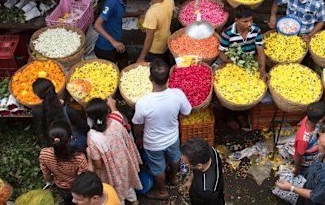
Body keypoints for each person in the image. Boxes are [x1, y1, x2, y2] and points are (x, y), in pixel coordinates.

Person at [132, 59, 192, 200]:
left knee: (157, 167)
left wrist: (139, 137)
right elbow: (187, 113)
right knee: (175, 156)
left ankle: (163, 192)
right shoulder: (177, 94)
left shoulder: (143, 102)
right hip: (172, 137)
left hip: (153, 143)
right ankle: (174, 178)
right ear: (169, 78)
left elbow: (138, 125)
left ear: (150, 79)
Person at [218, 5, 267, 130]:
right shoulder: (227, 34)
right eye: (245, 21)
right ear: (236, 20)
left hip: (249, 65)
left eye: (251, 20)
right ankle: (229, 117)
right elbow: (222, 53)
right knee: (230, 92)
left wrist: (262, 69)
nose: (249, 23)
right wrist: (234, 61)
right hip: (233, 66)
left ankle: (241, 114)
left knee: (247, 92)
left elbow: (260, 50)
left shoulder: (255, 30)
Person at [86, 98, 142, 204]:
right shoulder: (116, 122)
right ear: (107, 112)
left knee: (117, 190)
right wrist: (111, 104)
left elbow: (98, 165)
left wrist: (89, 154)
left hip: (110, 171)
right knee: (127, 184)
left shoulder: (93, 137)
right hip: (124, 163)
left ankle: (120, 201)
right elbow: (115, 112)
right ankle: (134, 200)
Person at [275, 131, 325, 205]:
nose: (317, 143)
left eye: (319, 144)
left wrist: (290, 187)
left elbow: (314, 196)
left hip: (317, 200)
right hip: (312, 183)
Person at [93, 0, 142, 66]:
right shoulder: (111, 3)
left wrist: (134, 14)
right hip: (106, 47)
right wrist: (113, 41)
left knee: (124, 62)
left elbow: (119, 14)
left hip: (118, 43)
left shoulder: (122, 1)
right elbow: (97, 25)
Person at [39, 120, 88, 205]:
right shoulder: (79, 158)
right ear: (70, 137)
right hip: (77, 189)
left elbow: (46, 173)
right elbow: (82, 178)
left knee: (67, 202)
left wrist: (49, 180)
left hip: (61, 187)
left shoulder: (44, 153)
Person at [32, 78, 89, 151]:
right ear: (54, 88)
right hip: (74, 146)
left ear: (37, 95)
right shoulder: (69, 111)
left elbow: (39, 129)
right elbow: (84, 127)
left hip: (52, 146)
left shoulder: (36, 111)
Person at [136, 0, 175, 64]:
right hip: (167, 42)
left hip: (156, 49)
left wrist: (141, 57)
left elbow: (149, 38)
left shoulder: (152, 13)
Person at [181, 138, 225, 205]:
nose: (183, 163)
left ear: (199, 166)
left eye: (186, 163)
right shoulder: (209, 150)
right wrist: (190, 181)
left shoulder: (208, 191)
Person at [293, 102, 325, 177]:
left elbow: (316, 132)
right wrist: (297, 169)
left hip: (313, 157)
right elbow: (299, 155)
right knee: (304, 174)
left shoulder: (309, 119)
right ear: (321, 119)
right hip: (305, 163)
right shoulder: (304, 139)